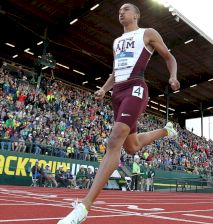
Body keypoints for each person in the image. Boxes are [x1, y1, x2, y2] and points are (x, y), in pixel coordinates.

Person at [58, 3, 179, 223]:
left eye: (125, 9)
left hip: (136, 87)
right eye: (119, 10)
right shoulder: (116, 42)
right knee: (131, 147)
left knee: (114, 140)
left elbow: (170, 58)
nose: (121, 12)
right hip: (117, 92)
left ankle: (84, 207)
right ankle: (165, 131)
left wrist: (173, 77)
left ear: (136, 15)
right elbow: (116, 71)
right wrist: (104, 88)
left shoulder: (148, 33)